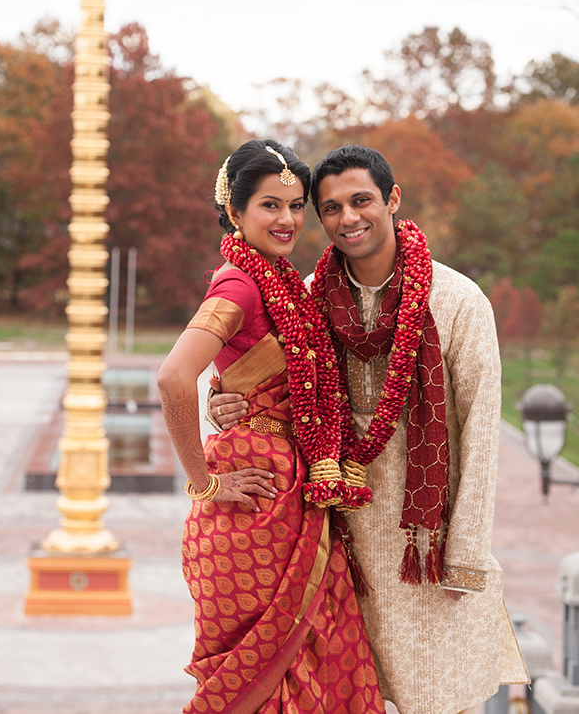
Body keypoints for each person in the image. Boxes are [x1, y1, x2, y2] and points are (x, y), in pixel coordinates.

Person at [211, 145, 529, 714]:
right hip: (334, 539)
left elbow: (482, 433)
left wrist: (466, 554)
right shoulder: (306, 297)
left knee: (433, 695)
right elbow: (261, 376)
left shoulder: (456, 301)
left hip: (424, 549)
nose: (347, 218)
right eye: (330, 208)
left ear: (393, 200)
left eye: (361, 201)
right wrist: (222, 402)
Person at [158, 139, 385, 714]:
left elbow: (237, 367)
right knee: (273, 674)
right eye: (269, 205)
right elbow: (172, 378)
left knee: (313, 659)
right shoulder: (239, 284)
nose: (287, 220)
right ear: (235, 212)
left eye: (295, 205)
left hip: (294, 493)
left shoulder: (282, 281)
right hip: (256, 507)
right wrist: (203, 480)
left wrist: (222, 391)